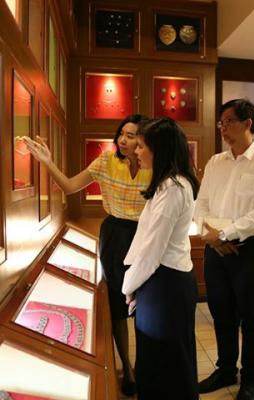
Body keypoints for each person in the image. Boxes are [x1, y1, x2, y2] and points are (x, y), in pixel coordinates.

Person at [23, 114, 151, 396]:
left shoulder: (152, 164)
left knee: (146, 304)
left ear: (144, 140)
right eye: (122, 134)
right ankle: (128, 369)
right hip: (115, 235)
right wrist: (47, 162)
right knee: (117, 305)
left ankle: (145, 367)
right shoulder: (106, 161)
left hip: (145, 236)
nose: (123, 140)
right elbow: (70, 186)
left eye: (131, 136)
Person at [195, 98, 254, 400]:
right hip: (215, 249)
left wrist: (226, 234)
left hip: (249, 250)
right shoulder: (215, 162)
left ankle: (250, 379)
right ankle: (225, 369)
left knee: (252, 318)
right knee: (221, 313)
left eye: (229, 122)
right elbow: (201, 203)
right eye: (221, 123)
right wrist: (212, 236)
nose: (223, 128)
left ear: (248, 123)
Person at [122, 117, 200, 400]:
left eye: (142, 146)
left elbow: (152, 250)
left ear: (160, 150)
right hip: (160, 281)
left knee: (166, 363)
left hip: (166, 284)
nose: (136, 151)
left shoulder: (173, 188)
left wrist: (128, 286)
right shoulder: (168, 185)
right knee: (159, 360)